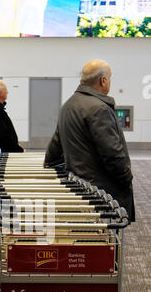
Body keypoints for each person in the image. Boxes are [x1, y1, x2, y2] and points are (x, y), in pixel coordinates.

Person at [44, 59, 135, 222]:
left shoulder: (67, 106)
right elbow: (113, 155)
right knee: (104, 242)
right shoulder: (99, 108)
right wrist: (127, 177)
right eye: (110, 78)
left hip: (78, 189)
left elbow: (52, 154)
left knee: (85, 241)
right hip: (102, 194)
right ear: (103, 80)